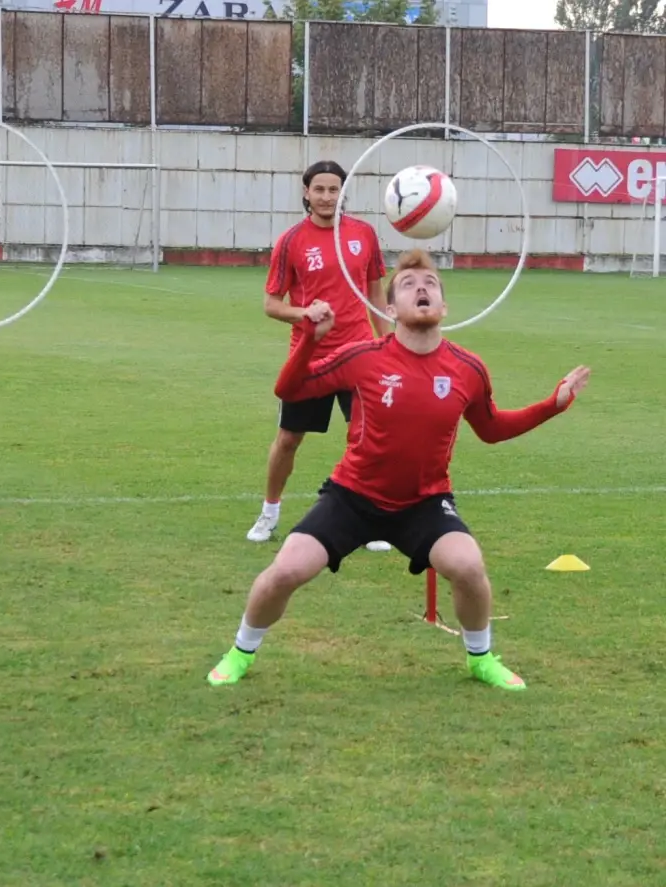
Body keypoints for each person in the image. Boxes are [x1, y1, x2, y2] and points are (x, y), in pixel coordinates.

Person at [208, 249, 590, 692]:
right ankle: (240, 651)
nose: (421, 288)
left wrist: (552, 405)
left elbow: (491, 429)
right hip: (353, 497)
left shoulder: (468, 369)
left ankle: (481, 659)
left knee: (468, 566)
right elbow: (288, 388)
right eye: (408, 285)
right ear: (390, 309)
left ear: (444, 306)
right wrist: (310, 337)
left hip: (425, 503)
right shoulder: (362, 356)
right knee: (286, 571)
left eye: (430, 283)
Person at [246, 160, 392, 553]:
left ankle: (370, 520)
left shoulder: (364, 234)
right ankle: (270, 512)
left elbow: (376, 295)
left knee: (366, 439)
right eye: (320, 190)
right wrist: (304, 314)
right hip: (310, 360)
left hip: (359, 355)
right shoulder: (291, 241)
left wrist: (389, 345)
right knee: (289, 439)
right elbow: (271, 304)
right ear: (306, 193)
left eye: (334, 190)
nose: (327, 197)